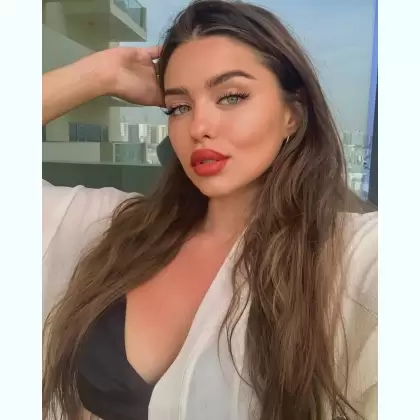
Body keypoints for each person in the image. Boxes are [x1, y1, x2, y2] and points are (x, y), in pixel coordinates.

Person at [42, 1, 378, 420]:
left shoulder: (350, 257)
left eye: (231, 96)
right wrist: (97, 75)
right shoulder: (118, 231)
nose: (199, 126)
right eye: (179, 107)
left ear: (292, 114)